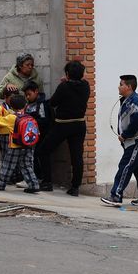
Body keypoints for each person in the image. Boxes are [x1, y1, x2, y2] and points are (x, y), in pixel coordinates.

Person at [39, 60, 89, 196]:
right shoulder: (86, 86)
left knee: (44, 150)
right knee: (77, 156)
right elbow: (81, 81)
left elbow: (54, 102)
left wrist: (64, 83)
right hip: (79, 125)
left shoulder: (64, 87)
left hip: (62, 124)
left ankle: (47, 182)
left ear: (67, 74)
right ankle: (75, 187)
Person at [101, 75, 138, 207]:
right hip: (130, 141)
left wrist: (125, 135)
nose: (119, 86)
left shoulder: (135, 101)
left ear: (129, 87)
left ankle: (116, 195)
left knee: (125, 166)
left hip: (136, 140)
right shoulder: (126, 100)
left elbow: (136, 121)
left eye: (121, 84)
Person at [0, 94, 40, 193]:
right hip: (28, 146)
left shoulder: (12, 117)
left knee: (8, 165)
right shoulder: (29, 117)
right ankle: (34, 184)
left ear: (12, 107)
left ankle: (0, 183)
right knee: (27, 165)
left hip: (15, 146)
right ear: (25, 105)